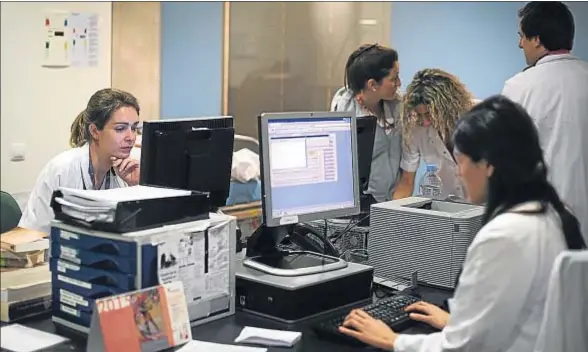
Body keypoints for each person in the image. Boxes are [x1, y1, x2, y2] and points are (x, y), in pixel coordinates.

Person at [338, 95, 586, 351]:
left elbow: (460, 349)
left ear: (488, 165)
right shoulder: (552, 214)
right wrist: (457, 322)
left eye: (461, 160)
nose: (458, 171)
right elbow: (518, 313)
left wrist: (391, 340)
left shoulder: (505, 236)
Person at [502, 1, 588, 243]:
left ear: (537, 39)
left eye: (522, 36)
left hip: (541, 226)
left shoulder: (518, 87)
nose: (520, 44)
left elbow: (506, 163)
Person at [19, 88, 142, 233]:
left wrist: (137, 186)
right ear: (95, 131)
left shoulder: (127, 170)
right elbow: (33, 234)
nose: (131, 137)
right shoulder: (62, 169)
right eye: (120, 129)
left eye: (134, 128)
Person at [331, 43, 403, 203]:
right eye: (393, 78)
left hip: (394, 202)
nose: (399, 83)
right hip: (361, 206)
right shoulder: (345, 112)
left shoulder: (398, 105)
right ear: (372, 84)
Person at [392, 68, 477, 200]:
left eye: (429, 114)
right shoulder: (416, 129)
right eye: (420, 115)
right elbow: (407, 182)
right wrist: (391, 215)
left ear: (448, 107)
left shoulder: (480, 117)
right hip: (445, 210)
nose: (425, 121)